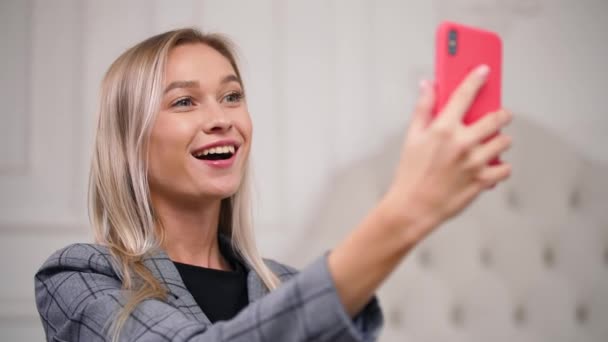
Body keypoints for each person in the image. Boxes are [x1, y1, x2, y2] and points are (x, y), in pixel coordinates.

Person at [34, 28, 512, 342]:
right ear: (130, 138)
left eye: (232, 96)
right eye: (184, 102)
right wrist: (406, 211)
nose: (221, 119)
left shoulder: (287, 284)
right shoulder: (79, 279)